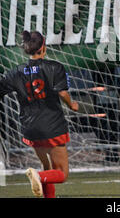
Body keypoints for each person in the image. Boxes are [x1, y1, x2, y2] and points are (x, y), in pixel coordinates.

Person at [0, 31, 79, 198]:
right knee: (61, 173)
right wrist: (72, 105)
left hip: (30, 127)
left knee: (47, 165)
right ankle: (38, 176)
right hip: (52, 126)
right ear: (43, 47)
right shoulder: (55, 67)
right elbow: (63, 93)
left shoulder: (15, 72)